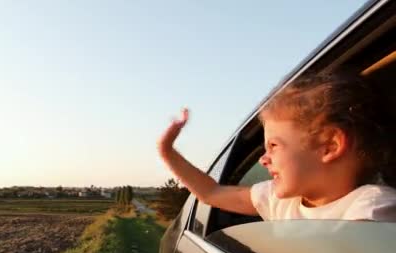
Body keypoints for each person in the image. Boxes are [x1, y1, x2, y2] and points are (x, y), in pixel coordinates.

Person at [158, 71, 396, 222]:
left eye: (273, 145)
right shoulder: (279, 201)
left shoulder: (372, 211)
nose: (263, 159)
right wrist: (167, 152)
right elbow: (212, 193)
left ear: (329, 146)